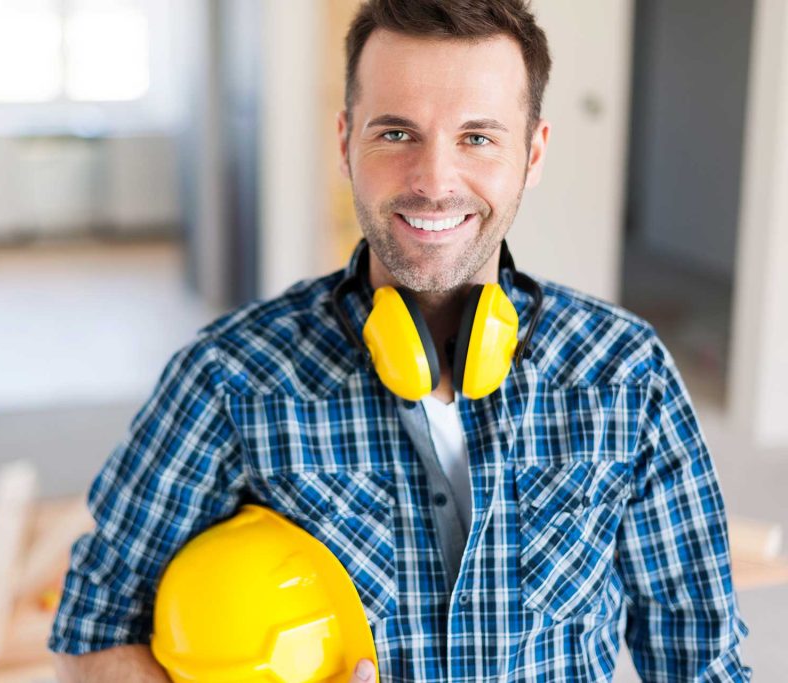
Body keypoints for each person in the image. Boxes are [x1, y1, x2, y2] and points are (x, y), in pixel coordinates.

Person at [50, 0, 751, 680]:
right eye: (396, 133)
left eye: (477, 137)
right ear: (345, 143)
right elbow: (93, 633)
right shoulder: (230, 377)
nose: (434, 180)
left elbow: (705, 660)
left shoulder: (626, 375)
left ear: (533, 152)